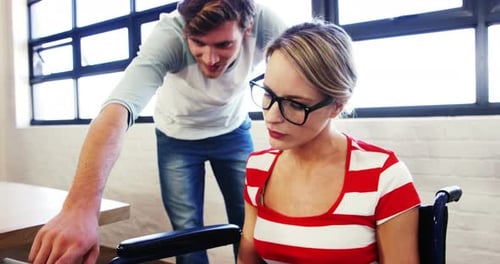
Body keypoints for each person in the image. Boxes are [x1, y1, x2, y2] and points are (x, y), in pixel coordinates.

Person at [28, 1, 286, 263]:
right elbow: (117, 109)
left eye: (223, 45)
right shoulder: (169, 34)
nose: (210, 59)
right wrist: (80, 208)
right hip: (177, 138)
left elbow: (307, 64)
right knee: (187, 230)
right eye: (198, 43)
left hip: (233, 129)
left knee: (249, 221)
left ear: (247, 28)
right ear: (185, 31)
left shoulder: (264, 22)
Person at [237, 20, 422, 264]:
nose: (271, 116)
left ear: (336, 106)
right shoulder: (259, 167)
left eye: (295, 104)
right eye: (268, 94)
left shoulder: (383, 175)